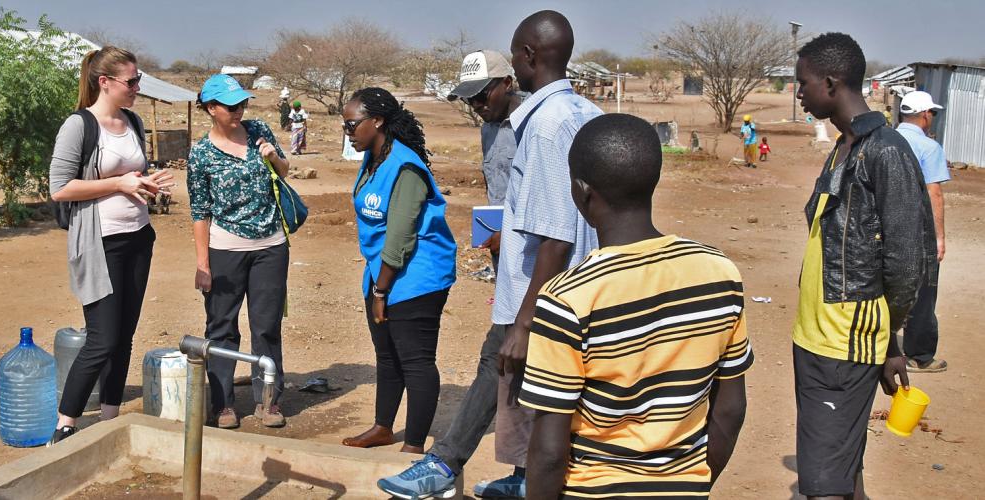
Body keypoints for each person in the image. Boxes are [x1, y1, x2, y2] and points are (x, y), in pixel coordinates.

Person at [521, 113, 752, 499]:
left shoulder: (566, 299)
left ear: (582, 192)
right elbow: (730, 410)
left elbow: (548, 450)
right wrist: (694, 483)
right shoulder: (720, 273)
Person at [375, 48, 530, 499]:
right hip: (508, 268)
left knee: (497, 360)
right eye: (468, 98)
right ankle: (523, 473)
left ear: (507, 83)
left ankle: (444, 462)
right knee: (521, 369)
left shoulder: (534, 128)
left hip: (538, 266)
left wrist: (513, 236)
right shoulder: (488, 129)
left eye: (482, 94)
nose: (476, 104)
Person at [791, 32, 933, 500]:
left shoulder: (886, 150)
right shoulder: (844, 146)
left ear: (831, 83)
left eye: (803, 83)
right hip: (817, 334)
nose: (798, 92)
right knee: (840, 469)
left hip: (843, 338)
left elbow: (907, 261)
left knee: (823, 485)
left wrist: (887, 338)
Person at [48, 47, 174, 444]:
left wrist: (146, 184)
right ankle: (65, 425)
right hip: (100, 243)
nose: (138, 87)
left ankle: (109, 418)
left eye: (139, 80)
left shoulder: (133, 121)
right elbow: (60, 188)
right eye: (131, 81)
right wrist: (119, 184)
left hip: (138, 236)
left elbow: (134, 172)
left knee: (125, 335)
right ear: (105, 82)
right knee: (102, 336)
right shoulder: (79, 125)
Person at [340, 87, 456, 456]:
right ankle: (382, 427)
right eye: (344, 125)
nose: (348, 131)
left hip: (417, 275)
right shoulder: (373, 158)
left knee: (416, 360)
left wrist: (381, 291)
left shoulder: (405, 166)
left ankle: (415, 444)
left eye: (352, 124)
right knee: (387, 354)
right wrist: (377, 283)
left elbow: (402, 233)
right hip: (383, 271)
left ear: (378, 122)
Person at [188, 73, 293, 429]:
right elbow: (200, 211)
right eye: (231, 106)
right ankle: (223, 405)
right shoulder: (200, 154)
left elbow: (284, 171)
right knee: (221, 328)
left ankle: (269, 401)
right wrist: (203, 263)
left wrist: (272, 158)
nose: (239, 110)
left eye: (242, 104)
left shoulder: (259, 129)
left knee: (266, 326)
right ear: (211, 108)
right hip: (225, 248)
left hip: (271, 246)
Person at [895, 90, 951, 372]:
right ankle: (919, 355)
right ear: (925, 114)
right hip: (918, 231)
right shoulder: (929, 148)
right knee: (924, 291)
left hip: (885, 228)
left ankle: (879, 345)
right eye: (933, 113)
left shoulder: (884, 140)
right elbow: (934, 193)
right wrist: (939, 237)